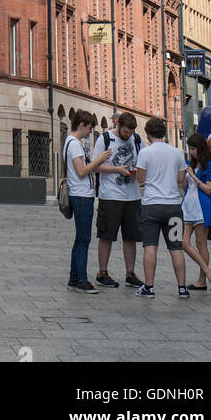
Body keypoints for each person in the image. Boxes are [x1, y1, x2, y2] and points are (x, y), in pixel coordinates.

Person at [135, 115, 189, 298]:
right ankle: (182, 288)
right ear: (164, 133)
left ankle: (149, 287)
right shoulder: (177, 153)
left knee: (150, 246)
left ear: (149, 133)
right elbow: (181, 180)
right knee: (176, 247)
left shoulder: (145, 153)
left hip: (151, 206)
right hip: (173, 206)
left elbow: (141, 179)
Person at [93, 111, 143, 288]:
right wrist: (118, 170)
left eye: (130, 132)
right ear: (118, 125)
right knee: (106, 234)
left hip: (132, 196)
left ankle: (130, 273)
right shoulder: (105, 139)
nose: (128, 135)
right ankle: (102, 272)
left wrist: (136, 171)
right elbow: (96, 166)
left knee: (131, 236)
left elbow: (142, 163)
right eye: (125, 132)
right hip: (110, 195)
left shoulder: (136, 140)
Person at [63, 110, 110, 294]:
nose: (90, 132)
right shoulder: (75, 144)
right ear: (81, 125)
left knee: (80, 239)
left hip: (80, 194)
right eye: (89, 128)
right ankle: (81, 279)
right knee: (83, 239)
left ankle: (74, 278)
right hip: (82, 195)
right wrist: (98, 160)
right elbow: (81, 171)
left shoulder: (70, 142)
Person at [182, 133, 211, 292]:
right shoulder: (189, 163)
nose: (191, 152)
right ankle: (208, 271)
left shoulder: (209, 165)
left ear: (200, 148)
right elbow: (185, 186)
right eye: (189, 148)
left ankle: (202, 280)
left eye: (193, 148)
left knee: (200, 244)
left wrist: (193, 176)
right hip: (187, 207)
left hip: (201, 208)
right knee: (183, 243)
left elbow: (208, 189)